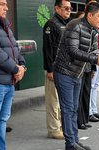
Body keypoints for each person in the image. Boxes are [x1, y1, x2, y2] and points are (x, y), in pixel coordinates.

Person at [53, 2, 99, 150]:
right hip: (64, 72)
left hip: (79, 73)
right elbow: (73, 51)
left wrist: (97, 64)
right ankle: (70, 144)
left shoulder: (94, 30)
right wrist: (95, 60)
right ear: (90, 15)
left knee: (75, 108)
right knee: (68, 108)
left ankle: (74, 141)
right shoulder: (75, 25)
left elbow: (93, 52)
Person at [42, 0, 72, 139]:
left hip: (65, 68)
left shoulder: (68, 24)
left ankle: (61, 126)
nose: (68, 11)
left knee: (62, 100)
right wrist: (49, 70)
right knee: (53, 100)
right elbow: (47, 49)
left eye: (70, 8)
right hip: (54, 69)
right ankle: (54, 129)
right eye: (66, 8)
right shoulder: (51, 24)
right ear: (57, 8)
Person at [0, 0, 26, 149]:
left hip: (9, 83)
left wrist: (22, 66)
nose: (6, 7)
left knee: (3, 120)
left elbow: (17, 49)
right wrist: (16, 70)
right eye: (2, 4)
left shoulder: (6, 27)